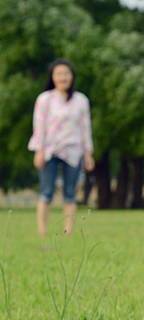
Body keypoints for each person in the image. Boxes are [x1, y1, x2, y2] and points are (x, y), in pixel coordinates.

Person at [28, 59, 95, 236]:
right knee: (46, 192)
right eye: (58, 74)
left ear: (72, 77)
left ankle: (68, 233)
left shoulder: (81, 100)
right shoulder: (45, 99)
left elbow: (85, 128)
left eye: (66, 73)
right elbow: (39, 126)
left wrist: (88, 153)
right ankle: (42, 233)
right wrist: (39, 150)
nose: (63, 77)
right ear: (52, 77)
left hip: (73, 151)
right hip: (49, 150)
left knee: (70, 194)